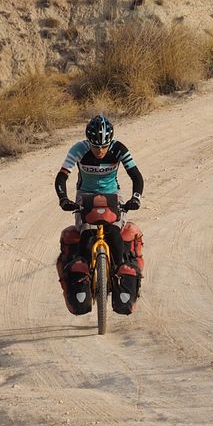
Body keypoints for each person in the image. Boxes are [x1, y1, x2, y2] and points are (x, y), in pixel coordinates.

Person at [54, 114, 144, 314]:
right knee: (86, 233)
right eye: (96, 146)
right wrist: (64, 199)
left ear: (110, 142)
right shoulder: (79, 149)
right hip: (85, 195)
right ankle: (86, 275)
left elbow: (136, 175)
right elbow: (62, 177)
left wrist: (135, 198)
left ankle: (120, 271)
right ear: (89, 141)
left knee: (114, 232)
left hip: (112, 195)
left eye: (104, 146)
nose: (100, 150)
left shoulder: (118, 149)